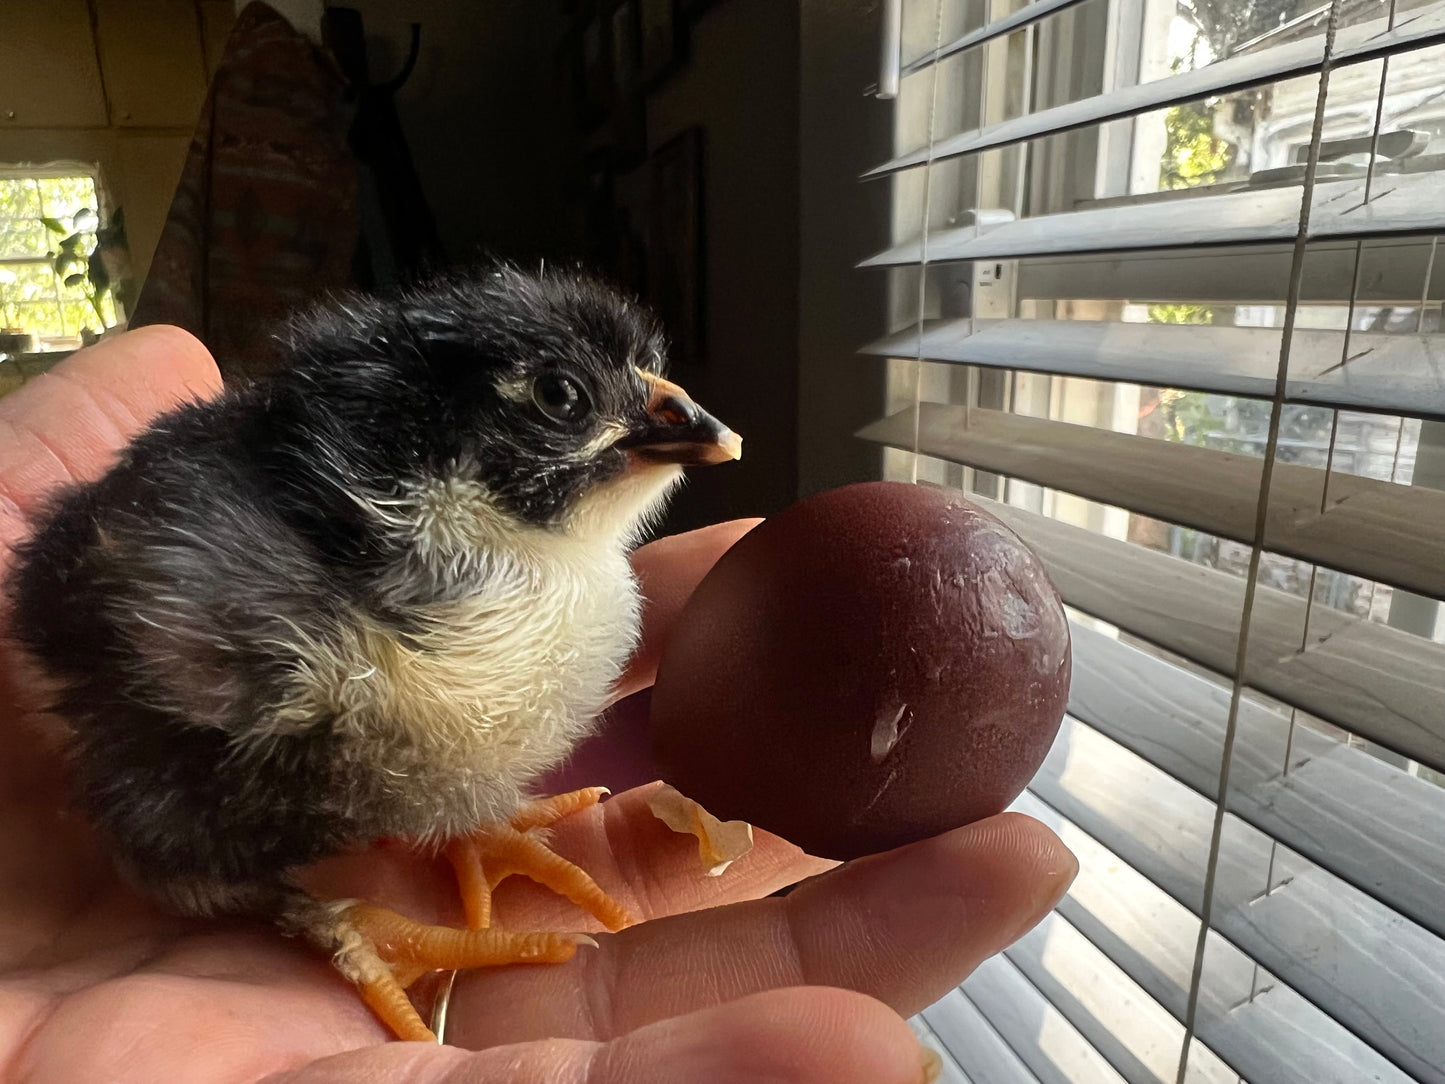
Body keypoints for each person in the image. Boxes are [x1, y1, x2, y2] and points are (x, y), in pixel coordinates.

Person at [0, 327, 1076, 1083]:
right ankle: (319, 916)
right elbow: (124, 648)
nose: (674, 415)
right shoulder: (307, 598)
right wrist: (331, 913)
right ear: (438, 430)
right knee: (229, 766)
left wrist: (457, 808)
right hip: (161, 747)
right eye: (564, 399)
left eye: (642, 387)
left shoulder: (528, 586)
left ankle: (454, 832)